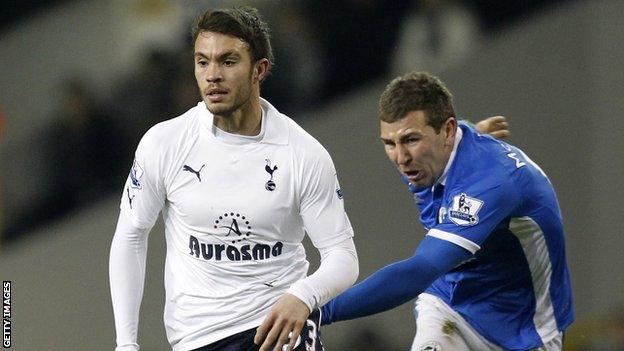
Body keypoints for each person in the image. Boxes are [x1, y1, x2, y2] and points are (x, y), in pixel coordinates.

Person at [109, 7, 360, 351]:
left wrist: (302, 296)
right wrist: (126, 344)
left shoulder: (302, 153)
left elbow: (343, 256)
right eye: (202, 62)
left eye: (227, 61)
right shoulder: (163, 144)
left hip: (277, 327)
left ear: (260, 69)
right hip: (198, 338)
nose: (212, 75)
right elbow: (131, 234)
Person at [321, 72, 574, 351]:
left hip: (524, 331)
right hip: (450, 307)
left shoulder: (490, 184)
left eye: (411, 140)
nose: (401, 158)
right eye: (389, 143)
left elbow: (420, 270)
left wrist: (321, 309)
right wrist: (472, 134)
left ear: (448, 131)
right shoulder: (435, 152)